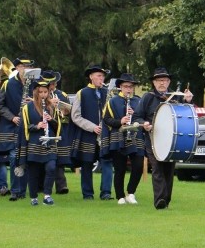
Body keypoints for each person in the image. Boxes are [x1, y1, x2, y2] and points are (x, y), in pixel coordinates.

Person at [134, 67, 193, 210]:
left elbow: (187, 115)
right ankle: (160, 200)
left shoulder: (176, 96)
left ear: (169, 82)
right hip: (153, 139)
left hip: (172, 140)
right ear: (154, 82)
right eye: (159, 80)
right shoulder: (147, 97)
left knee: (169, 170)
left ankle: (166, 200)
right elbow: (136, 116)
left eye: (165, 80)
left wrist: (188, 101)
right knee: (158, 168)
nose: (162, 83)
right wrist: (144, 124)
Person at [70, 63, 114, 200]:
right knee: (87, 163)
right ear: (91, 77)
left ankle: (106, 192)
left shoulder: (107, 93)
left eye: (103, 76)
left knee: (107, 163)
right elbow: (75, 116)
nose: (102, 79)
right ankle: (87, 194)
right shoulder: (82, 93)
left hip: (105, 134)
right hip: (87, 134)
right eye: (99, 76)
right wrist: (92, 127)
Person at [0, 56, 34, 201]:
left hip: (31, 127)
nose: (27, 69)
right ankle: (16, 191)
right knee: (13, 158)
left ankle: (24, 190)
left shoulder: (35, 84)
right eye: (24, 66)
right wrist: (12, 117)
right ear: (17, 68)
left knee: (27, 159)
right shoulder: (8, 84)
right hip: (13, 126)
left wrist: (34, 102)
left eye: (29, 66)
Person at [101, 73, 144, 205]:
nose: (129, 89)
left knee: (138, 166)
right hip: (119, 136)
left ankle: (131, 192)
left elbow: (142, 118)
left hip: (135, 137)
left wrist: (134, 116)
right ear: (120, 87)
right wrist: (120, 121)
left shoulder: (138, 101)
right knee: (119, 168)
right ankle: (120, 196)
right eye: (126, 86)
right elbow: (106, 119)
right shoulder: (112, 101)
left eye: (131, 87)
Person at [17, 79, 60, 206]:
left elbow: (58, 126)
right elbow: (24, 127)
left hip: (49, 142)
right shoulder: (27, 107)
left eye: (45, 92)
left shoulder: (52, 107)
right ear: (36, 92)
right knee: (34, 171)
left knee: (51, 167)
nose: (43, 95)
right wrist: (37, 126)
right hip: (35, 142)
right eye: (40, 92)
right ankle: (33, 197)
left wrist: (51, 120)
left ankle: (47, 195)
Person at [41, 70, 72, 194]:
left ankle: (61, 185)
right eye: (50, 84)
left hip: (60, 128)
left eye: (54, 84)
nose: (53, 87)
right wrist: (50, 104)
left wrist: (64, 110)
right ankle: (42, 185)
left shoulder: (61, 94)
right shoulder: (40, 94)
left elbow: (69, 110)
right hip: (45, 127)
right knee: (44, 157)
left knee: (60, 158)